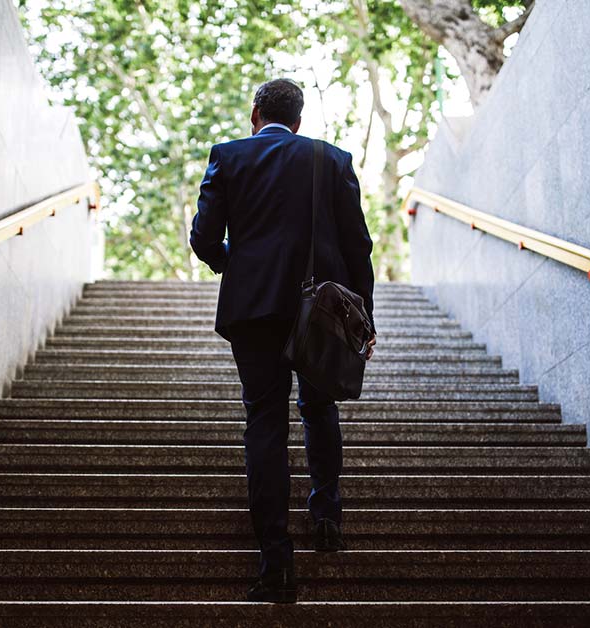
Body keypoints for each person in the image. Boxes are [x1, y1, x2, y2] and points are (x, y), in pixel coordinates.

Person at [190, 78, 377, 604]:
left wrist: (239, 266)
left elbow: (203, 238)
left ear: (255, 114)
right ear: (298, 120)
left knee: (265, 422)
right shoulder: (332, 160)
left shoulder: (228, 157)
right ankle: (326, 518)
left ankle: (276, 562)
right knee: (319, 409)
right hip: (320, 310)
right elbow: (357, 244)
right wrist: (364, 318)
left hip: (254, 312)